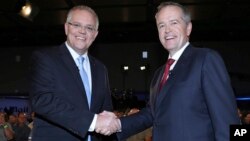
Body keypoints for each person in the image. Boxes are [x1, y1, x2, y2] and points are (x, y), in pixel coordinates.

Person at [97, 1, 241, 141]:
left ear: (188, 28)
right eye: (161, 25)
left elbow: (228, 120)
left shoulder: (206, 59)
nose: (167, 30)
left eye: (174, 23)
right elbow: (152, 114)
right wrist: (118, 124)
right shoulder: (159, 74)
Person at [29, 5, 119, 141]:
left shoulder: (101, 69)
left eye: (89, 28)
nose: (82, 31)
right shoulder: (45, 58)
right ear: (66, 28)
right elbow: (42, 100)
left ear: (95, 34)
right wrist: (92, 122)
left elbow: (106, 110)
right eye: (76, 25)